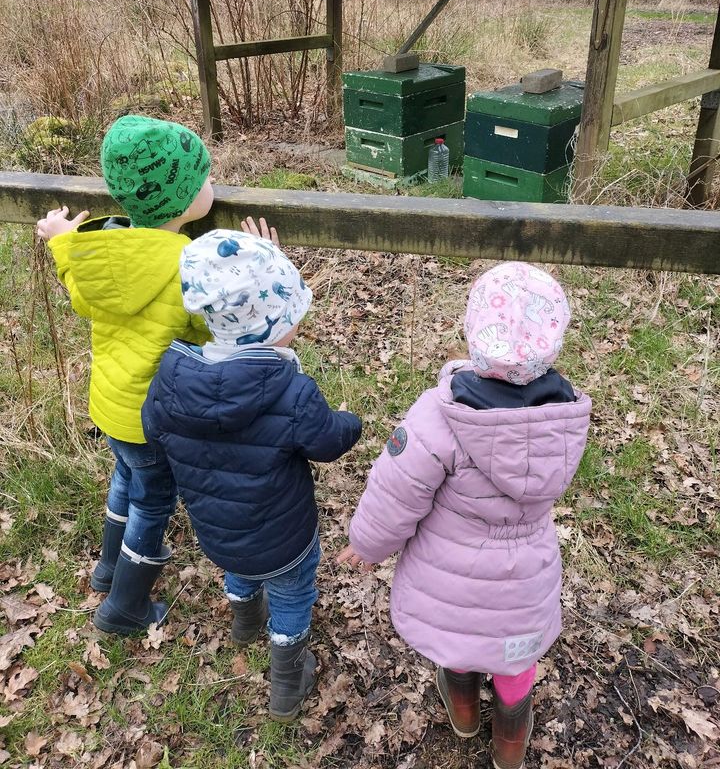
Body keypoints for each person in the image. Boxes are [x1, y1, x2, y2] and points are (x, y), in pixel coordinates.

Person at [338, 262, 591, 769]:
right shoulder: (563, 419)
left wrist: (366, 546)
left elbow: (396, 491)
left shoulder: (438, 413)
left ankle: (464, 713)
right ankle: (509, 746)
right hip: (524, 582)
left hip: (449, 579)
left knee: (456, 645)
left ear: (475, 332)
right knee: (516, 662)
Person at [141, 228, 362, 722]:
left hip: (216, 531)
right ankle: (287, 682)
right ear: (274, 322)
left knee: (239, 567)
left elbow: (152, 430)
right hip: (285, 538)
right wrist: (353, 422)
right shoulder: (291, 393)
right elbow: (327, 441)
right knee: (292, 593)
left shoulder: (172, 383)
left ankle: (244, 623)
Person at [36, 114, 215, 636]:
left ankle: (108, 567)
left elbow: (79, 286)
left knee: (126, 478)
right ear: (179, 199)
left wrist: (62, 241)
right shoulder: (185, 263)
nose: (211, 183)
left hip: (111, 405)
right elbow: (206, 330)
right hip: (152, 414)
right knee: (153, 499)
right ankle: (124, 607)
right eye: (203, 177)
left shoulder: (103, 252)